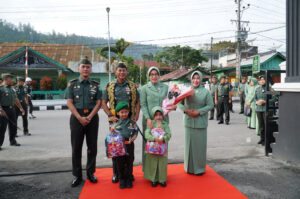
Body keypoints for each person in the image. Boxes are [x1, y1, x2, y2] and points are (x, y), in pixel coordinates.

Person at [65, 56, 102, 187]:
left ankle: (91, 173)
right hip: (76, 118)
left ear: (91, 69)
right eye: (83, 67)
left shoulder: (95, 85)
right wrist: (79, 117)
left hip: (92, 118)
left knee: (92, 147)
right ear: (78, 68)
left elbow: (99, 103)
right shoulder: (72, 84)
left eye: (88, 67)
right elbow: (69, 102)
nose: (86, 69)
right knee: (76, 147)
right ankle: (77, 175)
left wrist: (90, 117)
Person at [102, 62, 140, 183]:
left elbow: (138, 102)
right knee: (115, 147)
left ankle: (129, 173)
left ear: (126, 72)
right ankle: (116, 174)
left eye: (124, 70)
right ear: (115, 72)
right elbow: (103, 102)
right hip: (116, 121)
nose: (122, 72)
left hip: (129, 121)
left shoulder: (132, 86)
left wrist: (136, 115)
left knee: (129, 149)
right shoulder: (110, 85)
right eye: (119, 70)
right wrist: (109, 115)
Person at [140, 66, 176, 171]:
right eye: (152, 74)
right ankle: (148, 171)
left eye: (156, 74)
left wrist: (173, 106)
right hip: (149, 121)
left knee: (162, 145)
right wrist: (148, 118)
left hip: (162, 120)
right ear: (148, 76)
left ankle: (161, 171)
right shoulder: (145, 88)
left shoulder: (165, 87)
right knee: (149, 146)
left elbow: (171, 101)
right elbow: (143, 104)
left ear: (159, 75)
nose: (154, 76)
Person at [178, 71, 214, 175]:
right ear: (191, 79)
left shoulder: (205, 92)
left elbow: (210, 105)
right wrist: (186, 110)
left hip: (200, 123)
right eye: (194, 78)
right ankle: (188, 168)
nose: (196, 80)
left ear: (201, 79)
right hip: (188, 122)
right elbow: (179, 103)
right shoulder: (186, 90)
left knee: (200, 147)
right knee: (189, 146)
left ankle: (199, 169)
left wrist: (199, 111)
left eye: (198, 78)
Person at [111, 101, 138, 189]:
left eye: (126, 112)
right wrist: (112, 131)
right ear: (118, 113)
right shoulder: (116, 124)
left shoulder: (132, 123)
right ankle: (122, 179)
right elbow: (112, 137)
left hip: (129, 145)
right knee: (120, 162)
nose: (124, 114)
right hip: (119, 146)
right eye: (122, 112)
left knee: (129, 161)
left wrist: (134, 136)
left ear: (128, 112)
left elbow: (136, 131)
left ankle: (129, 178)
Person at [144, 106, 171, 187]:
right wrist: (154, 138)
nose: (158, 117)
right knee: (153, 163)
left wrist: (163, 139)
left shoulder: (165, 124)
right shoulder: (151, 123)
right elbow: (146, 134)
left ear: (163, 115)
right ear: (153, 116)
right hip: (153, 148)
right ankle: (154, 179)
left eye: (160, 115)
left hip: (162, 149)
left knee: (162, 164)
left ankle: (162, 180)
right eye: (156, 115)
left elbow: (169, 135)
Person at [0, 73, 25, 150]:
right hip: (4, 110)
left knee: (13, 126)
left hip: (12, 109)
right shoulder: (1, 88)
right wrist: (0, 110)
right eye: (11, 79)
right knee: (2, 128)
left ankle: (13, 141)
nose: (12, 80)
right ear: (5, 79)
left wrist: (21, 108)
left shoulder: (12, 88)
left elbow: (15, 99)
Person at [255, 76, 267, 145]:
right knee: (261, 125)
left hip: (265, 109)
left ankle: (266, 139)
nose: (262, 81)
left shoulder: (269, 88)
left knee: (266, 125)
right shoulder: (257, 89)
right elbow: (255, 98)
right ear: (259, 81)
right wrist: (257, 102)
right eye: (260, 80)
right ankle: (262, 139)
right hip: (259, 109)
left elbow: (274, 99)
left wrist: (264, 101)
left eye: (263, 79)